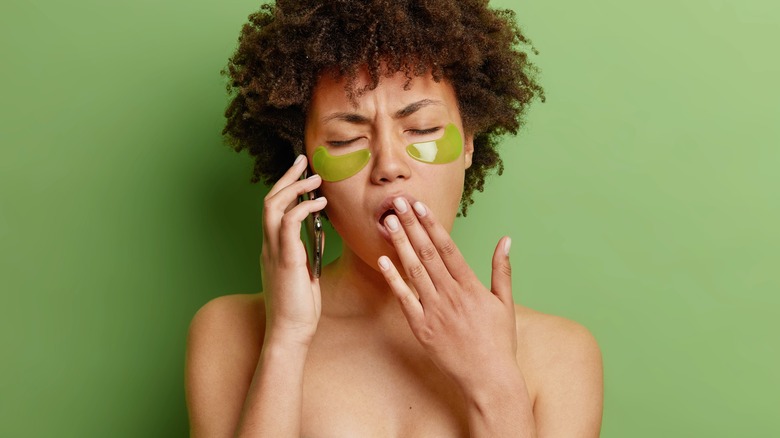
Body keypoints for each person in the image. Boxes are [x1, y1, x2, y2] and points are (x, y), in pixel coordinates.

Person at [185, 0, 603, 436]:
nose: (389, 165)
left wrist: (493, 380)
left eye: (422, 128)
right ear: (304, 164)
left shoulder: (561, 354)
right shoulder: (230, 333)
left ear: (468, 144)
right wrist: (286, 339)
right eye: (345, 139)